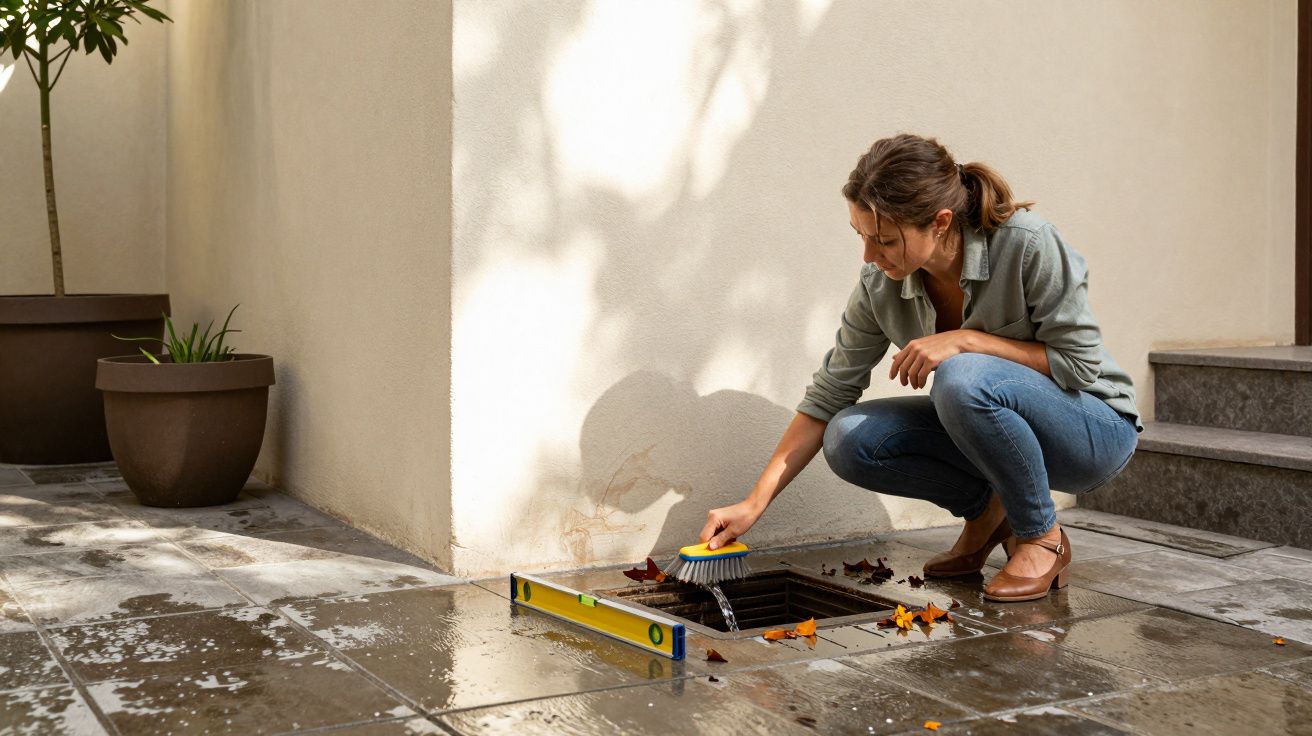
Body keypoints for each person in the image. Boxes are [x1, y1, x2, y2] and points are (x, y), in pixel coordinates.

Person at [698, 133, 1141, 602]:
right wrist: (754, 503)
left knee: (961, 375)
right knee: (850, 438)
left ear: (941, 221)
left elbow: (1079, 365)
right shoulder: (880, 285)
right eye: (861, 236)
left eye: (885, 239)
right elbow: (829, 395)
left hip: (1094, 430)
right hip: (999, 429)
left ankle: (1041, 537)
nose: (869, 255)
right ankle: (990, 511)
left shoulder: (1027, 245)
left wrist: (968, 340)